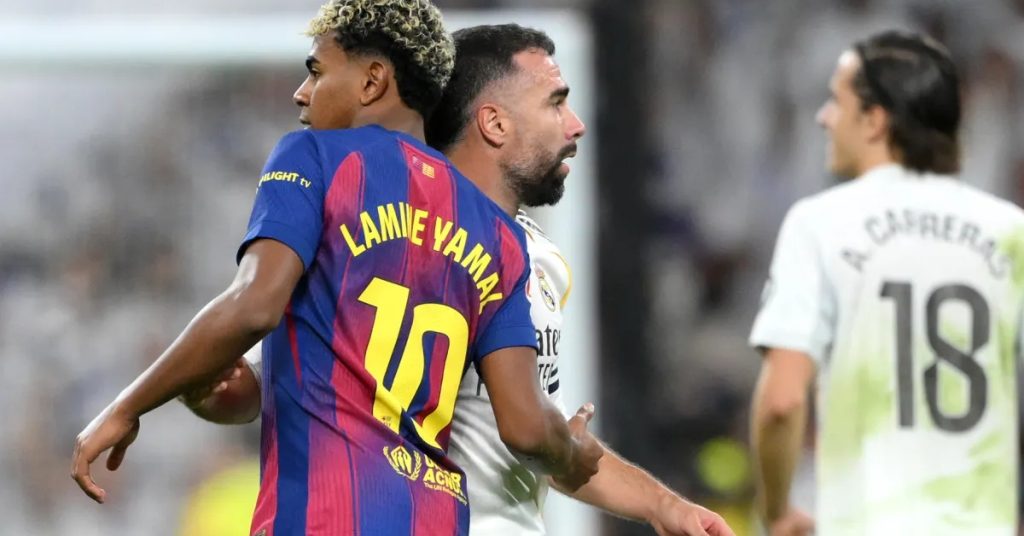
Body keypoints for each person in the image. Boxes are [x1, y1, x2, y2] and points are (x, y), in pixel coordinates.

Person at [70, 2, 602, 535]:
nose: (302, 93)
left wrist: (128, 405)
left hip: (328, 515)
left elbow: (254, 306)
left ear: (372, 81)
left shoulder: (317, 157)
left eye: (317, 71)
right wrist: (571, 453)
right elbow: (528, 426)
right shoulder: (499, 235)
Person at [189, 23, 733, 536]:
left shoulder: (535, 257)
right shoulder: (384, 238)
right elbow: (246, 384)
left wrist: (665, 505)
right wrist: (205, 378)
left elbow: (537, 440)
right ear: (494, 123)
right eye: (555, 103)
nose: (575, 124)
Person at [749, 30, 1024, 536]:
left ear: (874, 121)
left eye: (837, 101)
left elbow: (782, 402)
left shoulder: (820, 224)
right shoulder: (1010, 231)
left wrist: (777, 509)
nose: (824, 117)